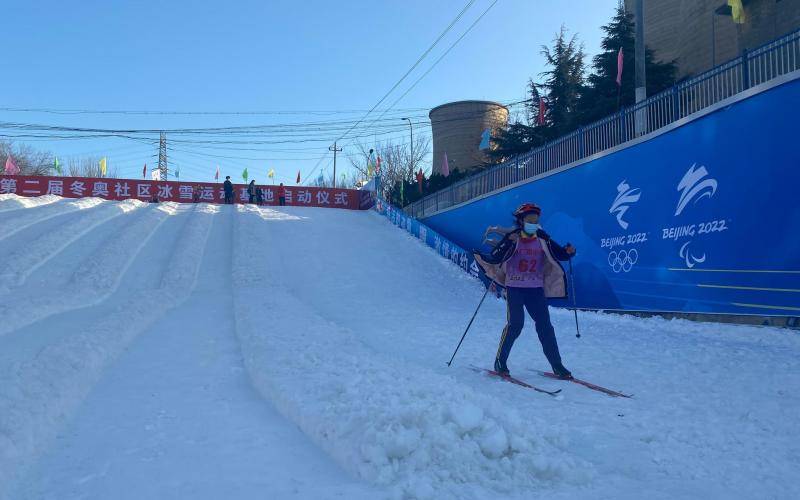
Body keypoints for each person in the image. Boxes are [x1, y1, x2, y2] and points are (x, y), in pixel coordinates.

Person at [474, 202, 576, 379]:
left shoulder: (542, 237)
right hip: (515, 288)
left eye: (536, 219)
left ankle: (557, 365)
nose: (533, 222)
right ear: (521, 221)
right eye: (529, 219)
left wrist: (569, 252)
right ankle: (500, 362)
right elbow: (496, 256)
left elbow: (560, 254)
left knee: (545, 327)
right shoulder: (513, 237)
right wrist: (507, 245)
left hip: (535, 289)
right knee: (515, 325)